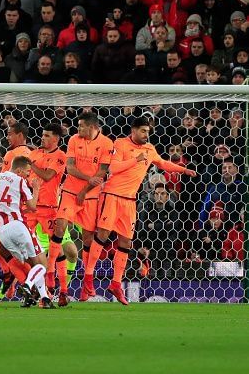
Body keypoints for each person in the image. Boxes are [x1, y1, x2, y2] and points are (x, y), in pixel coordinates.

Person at [83, 117, 196, 305]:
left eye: (148, 132)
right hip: (112, 195)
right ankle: (88, 276)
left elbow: (162, 163)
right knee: (102, 234)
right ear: (133, 130)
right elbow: (113, 168)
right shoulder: (120, 144)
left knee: (126, 241)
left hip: (130, 200)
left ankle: (116, 284)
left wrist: (183, 171)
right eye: (143, 131)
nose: (146, 135)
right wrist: (136, 159)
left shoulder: (150, 149)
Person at [46, 112, 113, 303]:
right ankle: (51, 274)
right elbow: (70, 167)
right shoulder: (75, 139)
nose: (78, 129)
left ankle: (87, 281)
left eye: (81, 126)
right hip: (70, 191)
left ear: (92, 127)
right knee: (59, 226)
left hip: (91, 196)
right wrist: (85, 182)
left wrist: (85, 190)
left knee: (88, 237)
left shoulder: (107, 144)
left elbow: (102, 172)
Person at [0, 156, 52, 308]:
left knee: (31, 264)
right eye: (27, 172)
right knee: (42, 264)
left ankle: (44, 299)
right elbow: (32, 206)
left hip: (2, 232)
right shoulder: (19, 181)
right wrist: (36, 188)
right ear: (18, 170)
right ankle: (27, 285)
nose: (28, 176)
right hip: (18, 226)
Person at [24, 123, 70, 306]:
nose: (42, 138)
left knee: (55, 249)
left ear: (56, 139)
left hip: (49, 208)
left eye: (46, 135)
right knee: (27, 248)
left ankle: (63, 290)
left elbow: (48, 176)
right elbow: (27, 176)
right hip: (31, 207)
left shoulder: (60, 156)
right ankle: (37, 289)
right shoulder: (35, 154)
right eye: (42, 135)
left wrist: (31, 166)